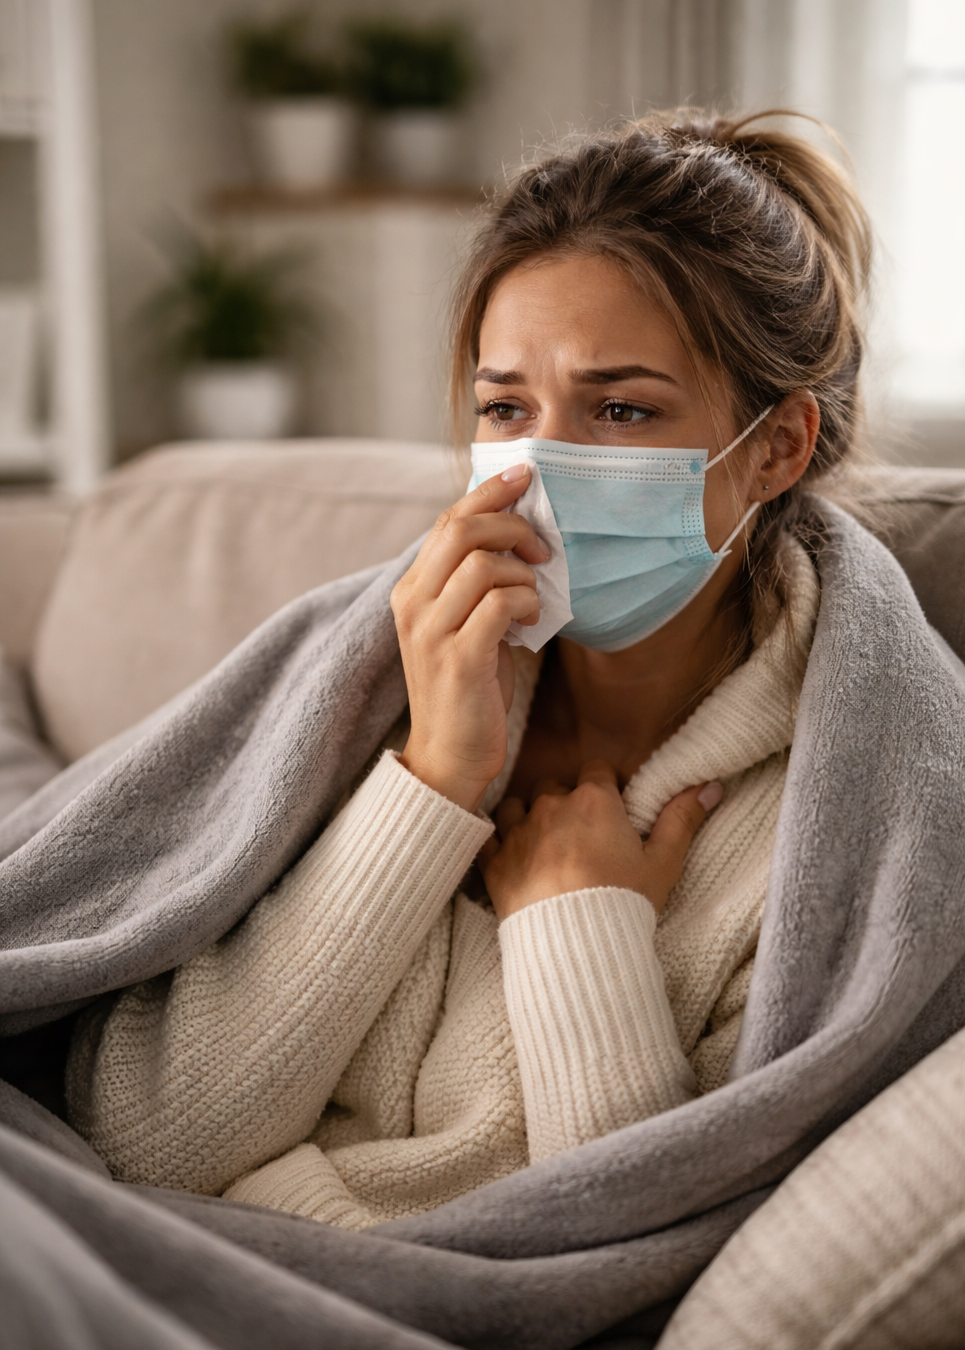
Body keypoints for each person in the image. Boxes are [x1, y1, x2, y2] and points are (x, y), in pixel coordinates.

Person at [67, 110, 870, 1228]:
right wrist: (435, 776)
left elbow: (635, 1247)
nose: (543, 463)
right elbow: (148, 1134)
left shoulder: (834, 818)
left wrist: (582, 922)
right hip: (186, 1248)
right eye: (505, 407)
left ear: (776, 446)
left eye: (621, 408)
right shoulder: (394, 677)